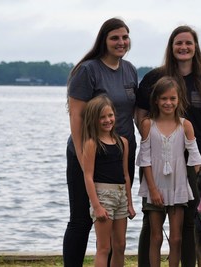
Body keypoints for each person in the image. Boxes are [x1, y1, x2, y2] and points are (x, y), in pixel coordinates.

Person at [135, 25, 201, 267]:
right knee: (151, 221)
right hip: (157, 162)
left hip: (196, 165)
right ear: (171, 47)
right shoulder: (154, 78)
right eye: (178, 43)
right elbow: (140, 117)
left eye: (188, 43)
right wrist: (159, 144)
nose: (183, 47)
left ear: (195, 48)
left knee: (191, 222)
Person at [63, 17, 138, 267]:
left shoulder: (130, 70)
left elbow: (133, 113)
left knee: (113, 225)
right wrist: (83, 153)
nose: (121, 42)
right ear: (104, 41)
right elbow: (76, 115)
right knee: (82, 220)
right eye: (115, 37)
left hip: (121, 156)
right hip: (90, 156)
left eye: (124, 37)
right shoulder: (88, 70)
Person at [136, 76, 201, 267]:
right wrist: (153, 189)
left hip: (178, 186)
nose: (168, 103)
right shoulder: (148, 124)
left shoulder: (185, 125)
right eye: (164, 98)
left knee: (176, 239)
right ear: (156, 100)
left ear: (179, 100)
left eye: (172, 98)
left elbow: (196, 158)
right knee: (155, 237)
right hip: (154, 185)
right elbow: (145, 160)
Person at [81, 95, 136, 267]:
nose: (107, 120)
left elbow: (125, 174)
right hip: (103, 196)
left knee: (120, 245)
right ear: (94, 120)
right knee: (104, 247)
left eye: (110, 115)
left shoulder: (123, 142)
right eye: (102, 117)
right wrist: (96, 206)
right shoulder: (92, 143)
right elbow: (88, 176)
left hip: (121, 196)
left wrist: (130, 203)